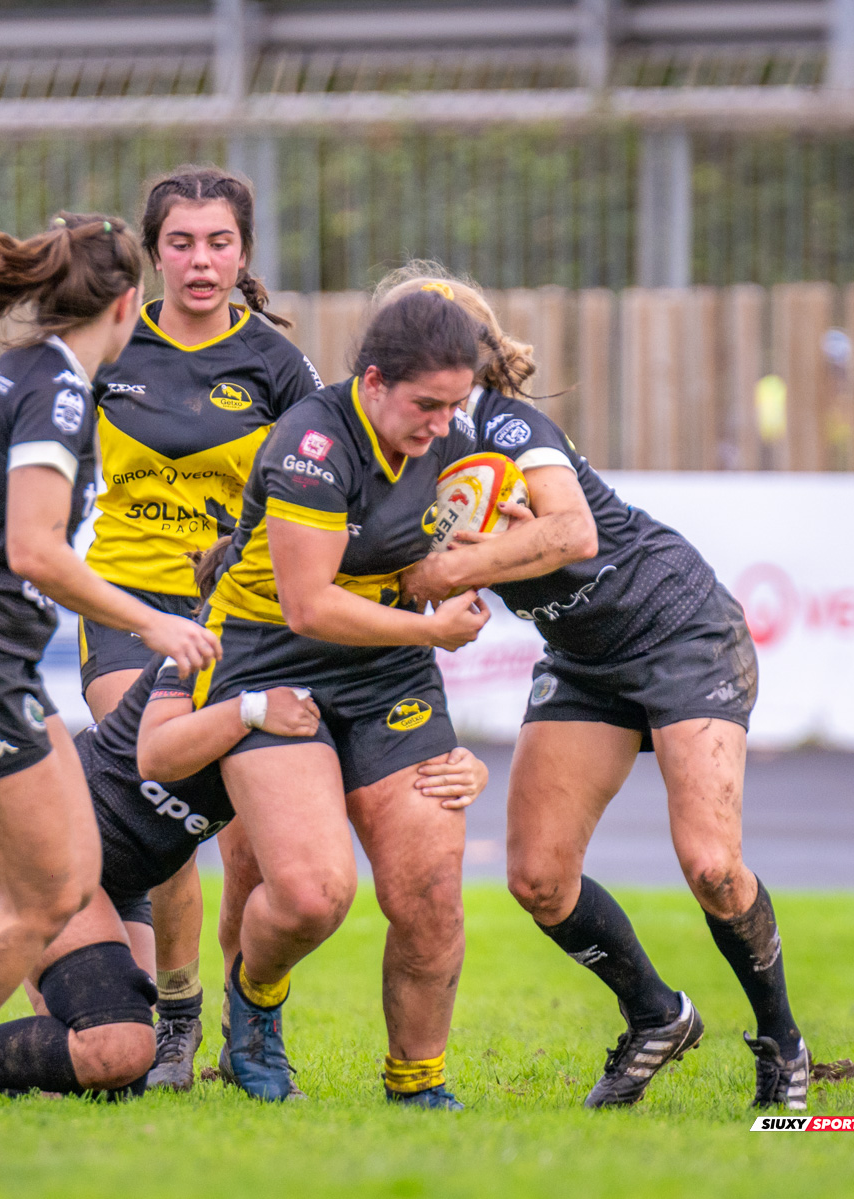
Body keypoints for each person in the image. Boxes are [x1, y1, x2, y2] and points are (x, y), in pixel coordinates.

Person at [0, 543, 489, 1098]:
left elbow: (365, 775)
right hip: (59, 841)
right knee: (118, 1051)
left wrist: (463, 767)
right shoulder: (212, 648)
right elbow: (158, 753)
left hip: (122, 883)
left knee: (111, 1068)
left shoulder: (326, 674)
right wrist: (247, 712)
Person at [397, 265, 812, 1110]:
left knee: (711, 865)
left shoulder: (510, 425)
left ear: (471, 360)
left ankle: (783, 1043)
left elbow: (571, 529)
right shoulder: (400, 449)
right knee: (539, 877)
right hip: (584, 654)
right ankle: (657, 1014)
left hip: (678, 626)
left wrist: (451, 570)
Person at [0, 211, 220, 1108]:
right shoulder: (61, 392)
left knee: (58, 888)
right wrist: (158, 623)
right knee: (47, 890)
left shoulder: (10, 371)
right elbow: (34, 550)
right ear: (129, 306)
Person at [142, 287, 492, 1104]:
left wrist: (474, 562)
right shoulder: (311, 441)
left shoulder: (453, 440)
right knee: (309, 893)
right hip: (271, 658)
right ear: (373, 382)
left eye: (455, 406)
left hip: (388, 674)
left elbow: (482, 536)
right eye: (426, 404)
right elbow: (310, 604)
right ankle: (254, 1010)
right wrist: (433, 630)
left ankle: (418, 1084)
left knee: (431, 888)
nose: (442, 424)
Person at [80, 165, 323, 1089]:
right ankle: (175, 1016)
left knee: (251, 846)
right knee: (162, 802)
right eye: (180, 242)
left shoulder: (274, 364)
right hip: (126, 612)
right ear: (153, 254)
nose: (200, 261)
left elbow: (321, 485)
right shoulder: (110, 348)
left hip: (238, 618)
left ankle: (246, 1026)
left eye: (219, 242)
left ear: (245, 253)